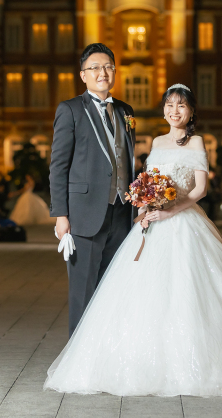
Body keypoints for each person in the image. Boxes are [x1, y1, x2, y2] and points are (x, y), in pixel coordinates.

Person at [44, 84, 222, 397]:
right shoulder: (157, 140)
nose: (174, 111)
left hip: (184, 222)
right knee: (144, 295)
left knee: (190, 291)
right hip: (152, 223)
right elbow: (149, 182)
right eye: (169, 105)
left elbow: (200, 189)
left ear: (190, 112)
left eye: (181, 106)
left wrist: (171, 210)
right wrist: (147, 206)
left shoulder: (197, 142)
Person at [49, 43, 136, 336]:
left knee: (114, 291)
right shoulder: (70, 110)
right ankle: (77, 363)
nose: (103, 72)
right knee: (82, 293)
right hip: (84, 217)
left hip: (121, 214)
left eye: (108, 67)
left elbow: (128, 159)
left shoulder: (125, 110)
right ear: (83, 75)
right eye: (95, 68)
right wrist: (61, 215)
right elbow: (58, 166)